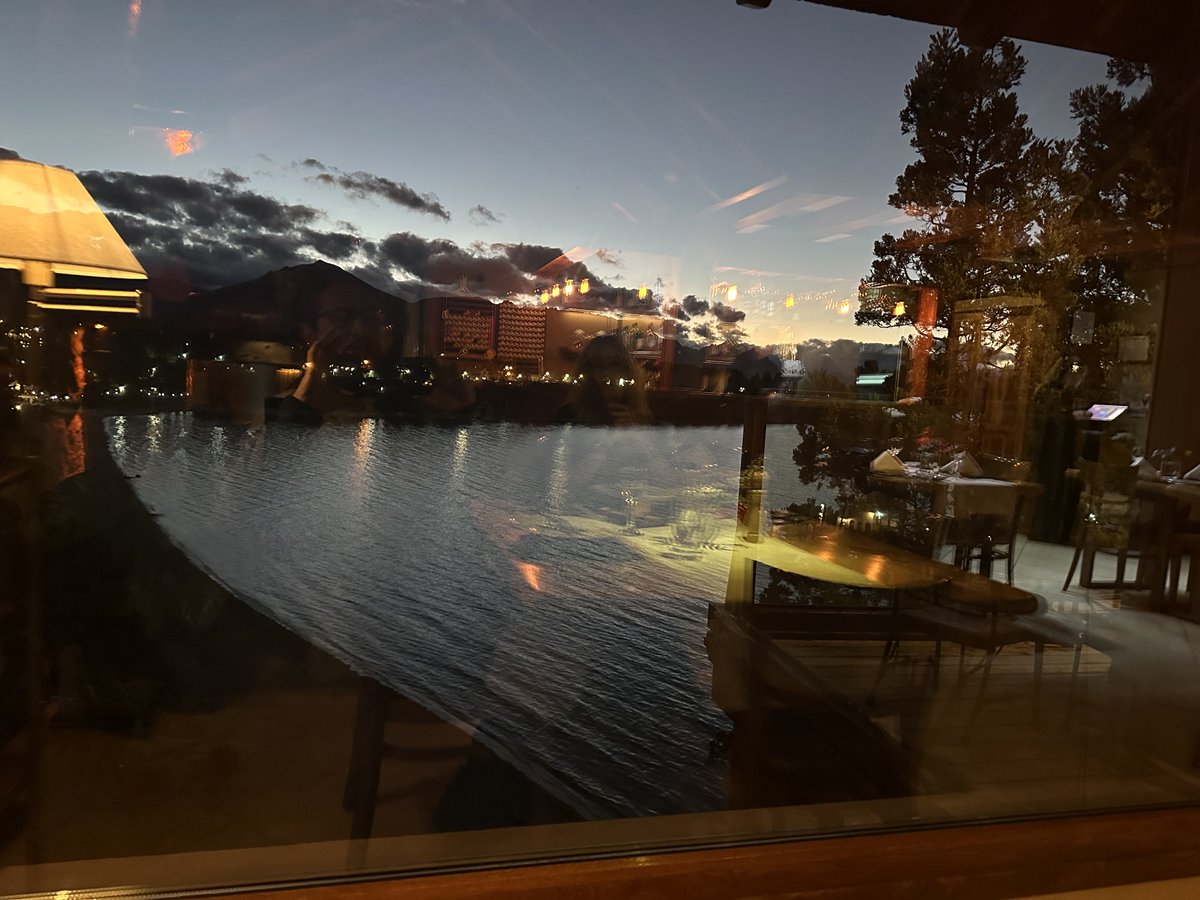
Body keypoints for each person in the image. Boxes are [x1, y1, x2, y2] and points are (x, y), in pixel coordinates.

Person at [266, 283, 390, 425]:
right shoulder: (276, 411)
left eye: (369, 317)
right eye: (342, 317)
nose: (360, 329)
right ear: (308, 333)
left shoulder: (389, 407)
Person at [555, 334, 651, 425]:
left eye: (613, 364)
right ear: (588, 370)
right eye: (598, 364)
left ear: (626, 370)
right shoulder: (568, 416)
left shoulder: (641, 419)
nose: (605, 372)